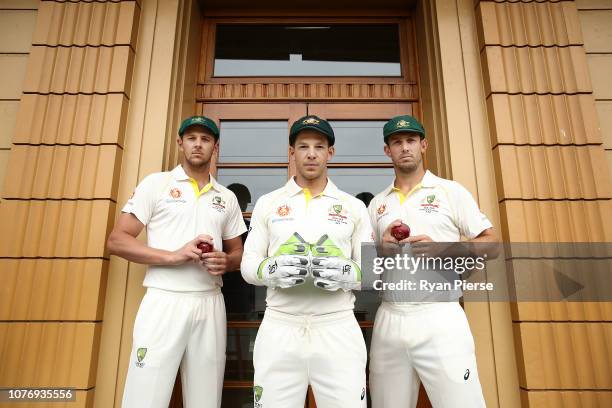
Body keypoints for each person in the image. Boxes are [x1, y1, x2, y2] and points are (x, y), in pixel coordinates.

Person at [107, 116, 247, 408]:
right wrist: (174, 256)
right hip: (164, 299)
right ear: (180, 142)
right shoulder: (156, 184)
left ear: (215, 147)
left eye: (205, 139)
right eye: (192, 137)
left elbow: (238, 254)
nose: (198, 144)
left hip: (209, 301)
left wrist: (227, 262)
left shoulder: (227, 197)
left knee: (206, 398)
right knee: (145, 396)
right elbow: (117, 241)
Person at [241, 115, 373, 407]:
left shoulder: (353, 206)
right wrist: (269, 269)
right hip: (280, 326)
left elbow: (373, 273)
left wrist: (349, 273)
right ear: (292, 152)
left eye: (319, 146)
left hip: (337, 327)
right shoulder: (268, 202)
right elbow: (248, 264)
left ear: (330, 153)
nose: (311, 153)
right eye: (303, 146)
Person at [367, 115, 497, 408]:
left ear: (423, 145)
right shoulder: (378, 203)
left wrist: (445, 248)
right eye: (397, 142)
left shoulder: (451, 191)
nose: (405, 148)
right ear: (387, 150)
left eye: (411, 140)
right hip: (390, 316)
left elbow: (492, 244)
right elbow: (367, 267)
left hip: (440, 316)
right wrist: (382, 248)